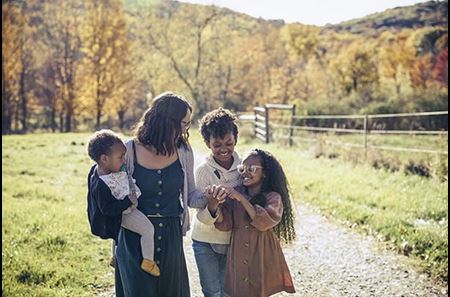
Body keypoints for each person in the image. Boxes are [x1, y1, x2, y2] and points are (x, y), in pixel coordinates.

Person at [115, 92, 204, 297]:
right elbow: (114, 193)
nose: (185, 130)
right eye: (183, 123)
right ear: (167, 122)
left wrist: (211, 198)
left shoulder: (183, 150)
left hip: (170, 237)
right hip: (133, 237)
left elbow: (191, 195)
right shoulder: (129, 150)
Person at [208, 149, 296, 297]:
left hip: (261, 251)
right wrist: (214, 204)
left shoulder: (273, 197)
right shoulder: (237, 192)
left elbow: (264, 222)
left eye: (251, 169)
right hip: (238, 250)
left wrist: (241, 199)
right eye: (242, 168)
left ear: (265, 173)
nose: (244, 172)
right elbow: (225, 224)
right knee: (240, 290)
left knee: (258, 289)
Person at [86, 129, 160, 277]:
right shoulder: (100, 183)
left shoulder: (107, 170)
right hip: (122, 212)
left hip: (120, 213)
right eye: (121, 157)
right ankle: (148, 261)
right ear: (104, 159)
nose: (124, 160)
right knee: (147, 229)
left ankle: (115, 256)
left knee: (118, 234)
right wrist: (127, 201)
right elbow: (107, 209)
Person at [191, 108, 242, 297]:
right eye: (217, 144)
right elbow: (201, 216)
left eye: (229, 143)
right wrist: (212, 204)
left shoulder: (243, 169)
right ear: (207, 143)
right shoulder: (203, 171)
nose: (223, 149)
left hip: (234, 241)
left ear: (235, 139)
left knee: (230, 291)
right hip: (205, 241)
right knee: (212, 292)